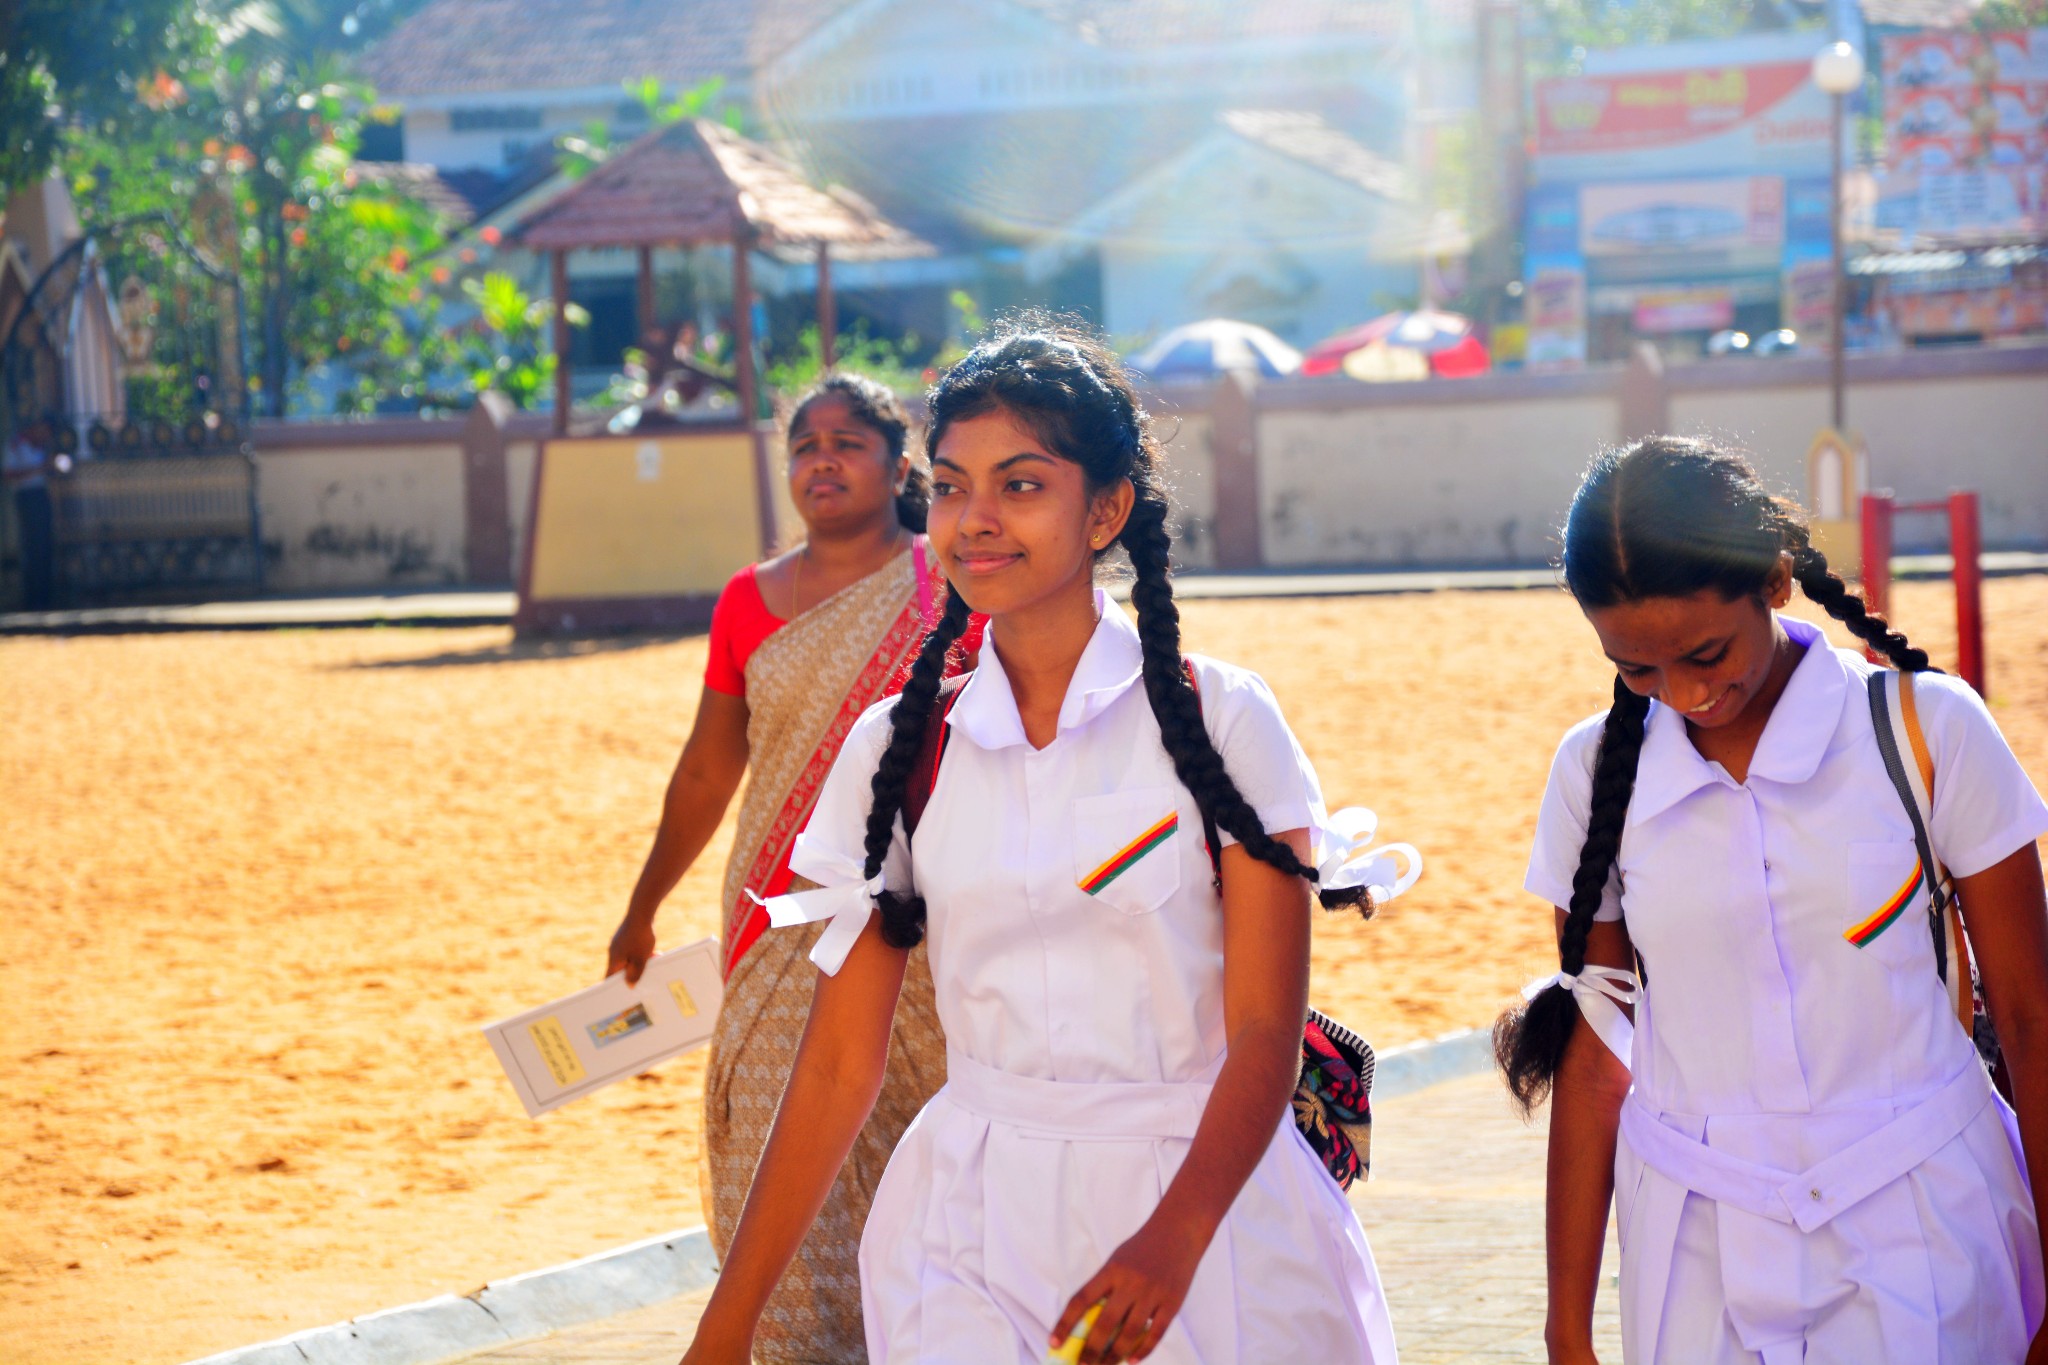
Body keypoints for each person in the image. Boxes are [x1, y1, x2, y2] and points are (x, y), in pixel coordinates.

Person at [680, 323, 1398, 1365]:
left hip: (1212, 1223)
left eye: (1020, 486)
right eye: (952, 486)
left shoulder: (1222, 720)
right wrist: (724, 1325)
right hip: (964, 1232)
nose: (974, 522)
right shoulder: (898, 751)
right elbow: (839, 1066)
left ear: (1105, 508)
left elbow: (1261, 1031)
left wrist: (1174, 1236)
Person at [1497, 437, 2048, 1364]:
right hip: (1693, 1242)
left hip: (1925, 1219)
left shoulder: (1928, 730)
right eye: (1638, 668)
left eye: (1707, 651)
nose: (1688, 692)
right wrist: (1566, 1328)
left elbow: (2033, 1018)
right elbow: (1596, 1055)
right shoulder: (1594, 774)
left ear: (1775, 578)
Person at [609, 373, 975, 1363]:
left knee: (912, 1137)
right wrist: (643, 906)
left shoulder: (949, 579)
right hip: (774, 911)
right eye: (804, 444)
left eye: (847, 441)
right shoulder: (747, 600)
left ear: (898, 465)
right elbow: (705, 767)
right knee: (773, 1126)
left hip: (915, 913)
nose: (822, 459)